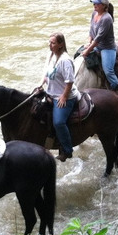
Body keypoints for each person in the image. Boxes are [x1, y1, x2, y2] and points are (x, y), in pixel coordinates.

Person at [42, 32, 80, 162]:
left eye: (53, 43)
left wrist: (63, 97)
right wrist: (42, 84)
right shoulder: (51, 55)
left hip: (64, 96)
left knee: (58, 122)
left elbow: (69, 81)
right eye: (49, 42)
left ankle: (67, 150)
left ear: (60, 45)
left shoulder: (65, 61)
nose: (50, 45)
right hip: (50, 92)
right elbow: (48, 74)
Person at [80, 0, 118, 92]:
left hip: (107, 48)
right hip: (95, 45)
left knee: (108, 71)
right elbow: (91, 30)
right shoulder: (94, 14)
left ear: (103, 5)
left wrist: (87, 51)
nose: (94, 5)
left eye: (97, 3)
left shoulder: (106, 18)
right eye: (94, 3)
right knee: (78, 54)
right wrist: (88, 43)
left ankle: (116, 88)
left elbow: (98, 38)